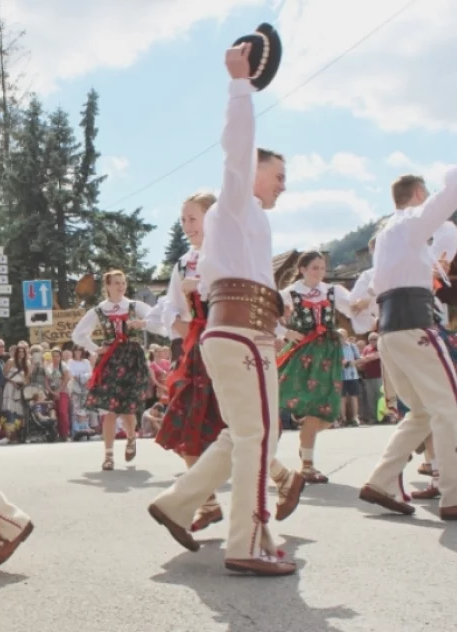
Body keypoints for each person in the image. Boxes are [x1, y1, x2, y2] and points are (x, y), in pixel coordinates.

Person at [148, 41, 296, 576]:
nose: (284, 184)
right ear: (256, 172)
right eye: (279, 174)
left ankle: (177, 504)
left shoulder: (248, 220)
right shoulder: (235, 202)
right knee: (258, 435)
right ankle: (247, 543)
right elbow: (237, 149)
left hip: (242, 332)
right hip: (237, 334)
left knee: (243, 433)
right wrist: (241, 85)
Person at [359, 172, 457, 520]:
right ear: (418, 193)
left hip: (390, 332)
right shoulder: (413, 221)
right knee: (448, 407)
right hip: (415, 325)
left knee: (422, 412)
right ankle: (453, 494)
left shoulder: (388, 233)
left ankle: (381, 480)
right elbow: (451, 194)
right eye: (425, 194)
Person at [277, 251, 359, 481]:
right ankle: (307, 465)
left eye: (322, 268)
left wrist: (364, 304)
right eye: (314, 268)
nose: (319, 272)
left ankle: (305, 437)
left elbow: (353, 309)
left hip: (328, 355)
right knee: (314, 409)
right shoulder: (289, 293)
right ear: (302, 269)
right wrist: (285, 332)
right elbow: (266, 315)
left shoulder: (332, 291)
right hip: (302, 355)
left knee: (328, 412)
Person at [71, 269, 152, 471]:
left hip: (132, 359)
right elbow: (78, 335)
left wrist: (143, 323)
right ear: (107, 286)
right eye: (116, 282)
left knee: (127, 409)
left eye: (123, 282)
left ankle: (132, 438)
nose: (121, 286)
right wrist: (95, 348)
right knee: (110, 409)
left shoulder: (135, 306)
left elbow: (161, 323)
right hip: (110, 359)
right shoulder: (99, 310)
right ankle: (108, 456)